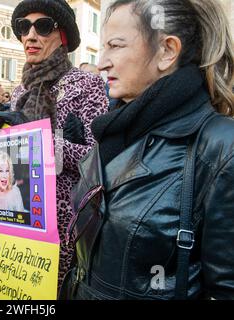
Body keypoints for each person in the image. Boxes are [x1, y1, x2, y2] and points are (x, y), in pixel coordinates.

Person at [64, 0, 234, 300]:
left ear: (167, 51)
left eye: (115, 46)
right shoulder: (112, 132)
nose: (102, 62)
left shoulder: (221, 146)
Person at [0, 0, 108, 289]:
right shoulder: (20, 91)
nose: (30, 36)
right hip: (17, 216)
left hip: (64, 228)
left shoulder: (86, 85)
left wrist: (38, 139)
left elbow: (100, 158)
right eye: (23, 27)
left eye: (42, 26)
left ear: (63, 36)